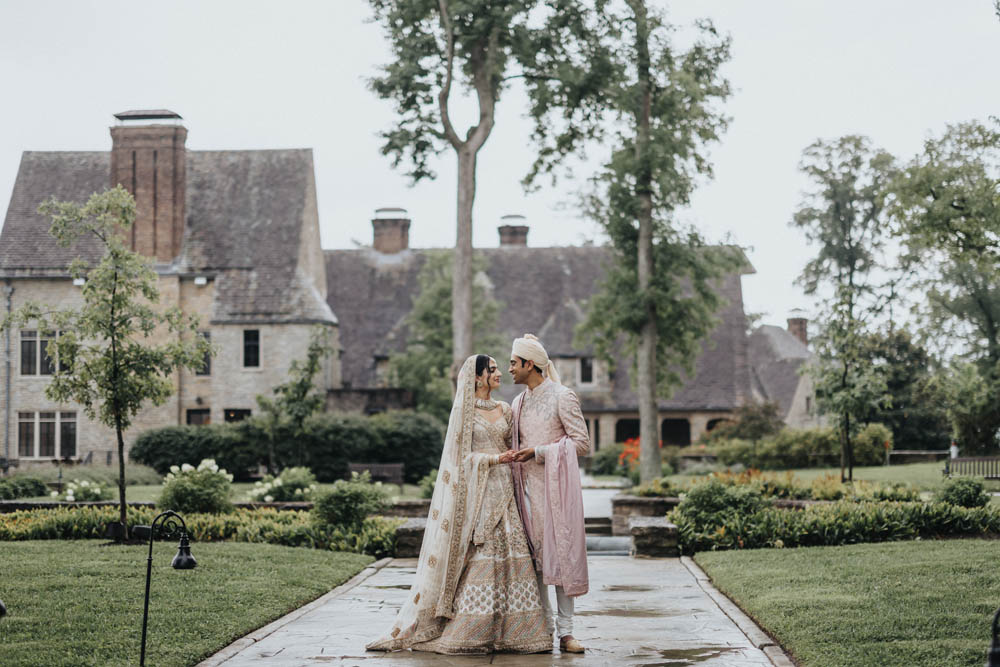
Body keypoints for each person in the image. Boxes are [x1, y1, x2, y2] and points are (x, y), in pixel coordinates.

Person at [366, 354, 551, 654]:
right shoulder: (465, 413)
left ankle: (517, 632)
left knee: (514, 551)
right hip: (479, 493)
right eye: (491, 370)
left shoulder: (505, 409)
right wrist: (493, 459)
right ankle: (474, 629)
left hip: (506, 489)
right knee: (483, 554)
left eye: (497, 369)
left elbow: (518, 442)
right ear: (477, 377)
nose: (498, 373)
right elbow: (459, 459)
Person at [508, 334, 591, 654]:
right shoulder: (518, 403)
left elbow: (581, 443)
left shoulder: (562, 396)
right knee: (536, 562)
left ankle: (567, 633)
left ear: (530, 364)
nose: (510, 369)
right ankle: (543, 630)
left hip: (556, 491)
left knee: (561, 556)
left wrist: (540, 451)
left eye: (514, 363)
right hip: (524, 491)